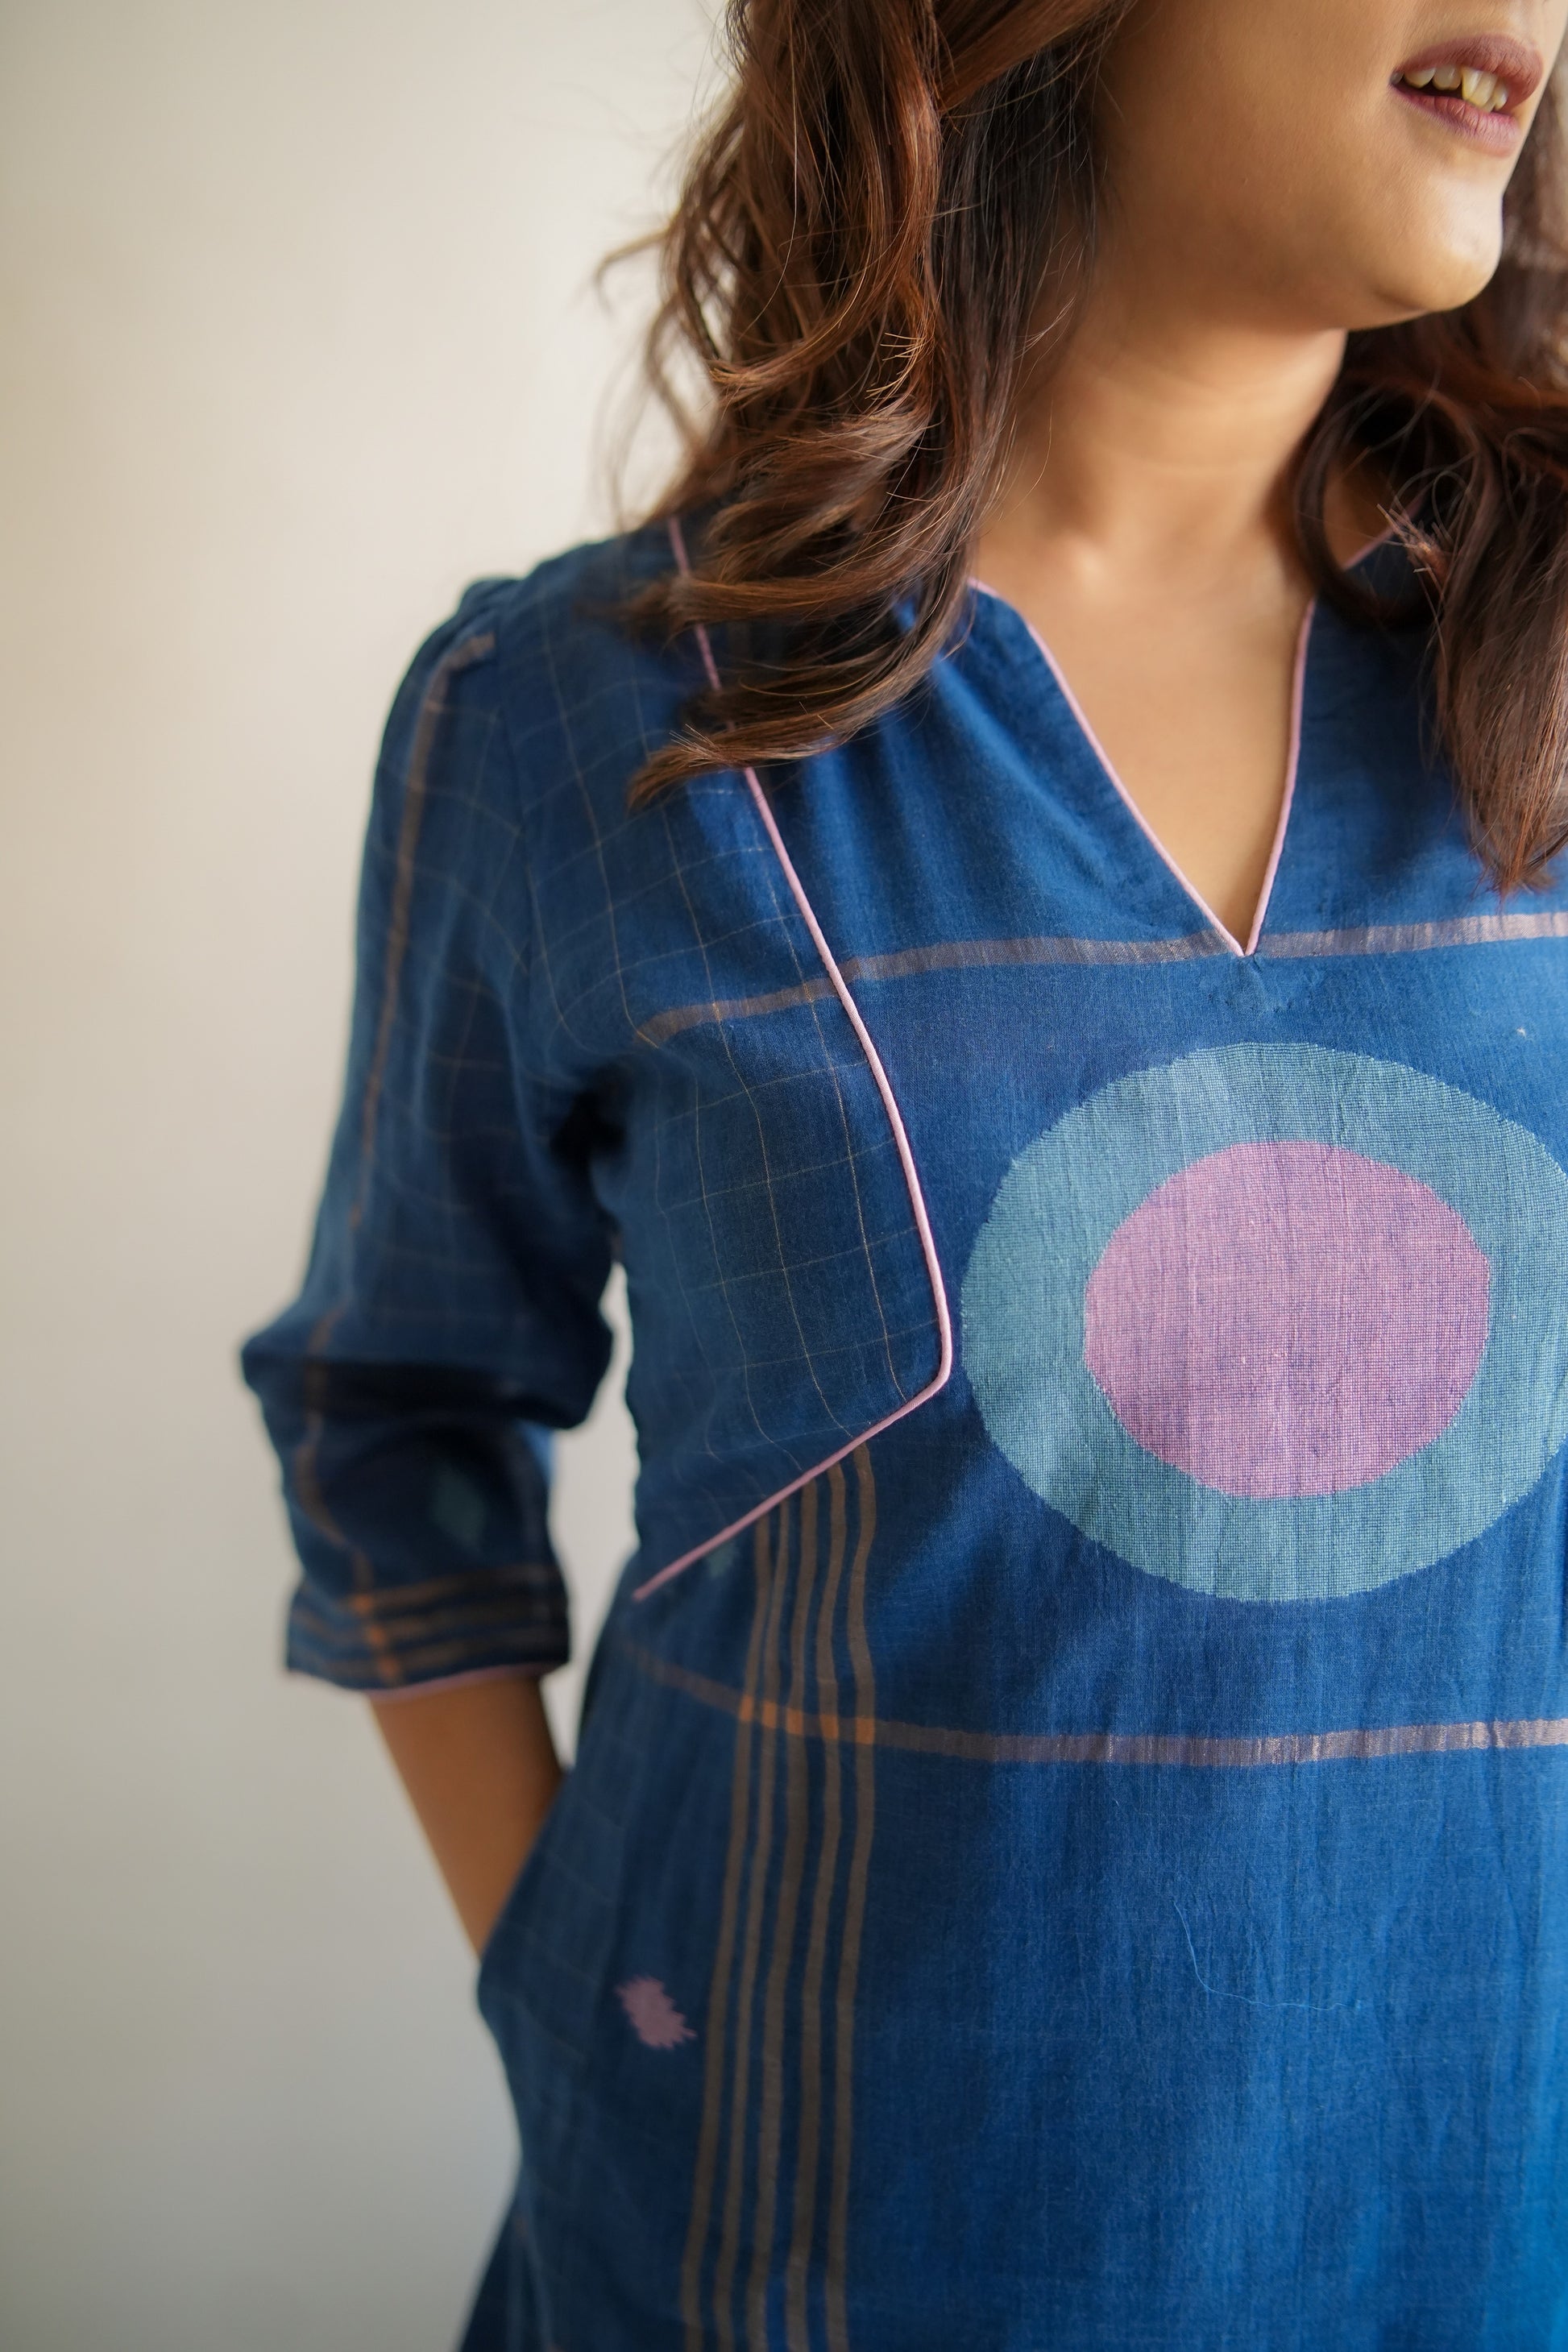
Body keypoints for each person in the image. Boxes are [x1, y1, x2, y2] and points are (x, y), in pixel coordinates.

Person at [243, 2, 1568, 2342]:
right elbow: (395, 1410)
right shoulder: (580, 721)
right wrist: (582, 1999)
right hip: (782, 2246)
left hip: (1479, 2231)